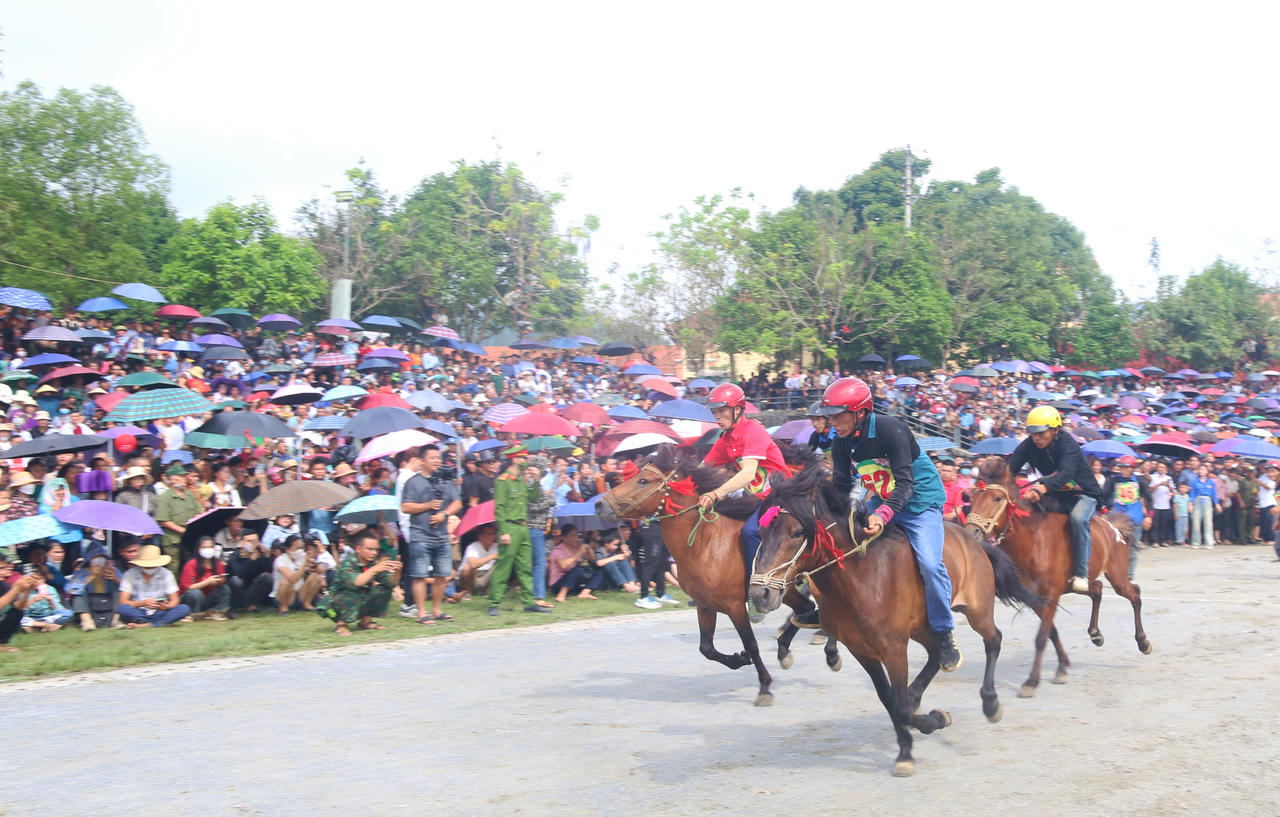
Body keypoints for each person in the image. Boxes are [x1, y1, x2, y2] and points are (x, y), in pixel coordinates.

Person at [811, 376, 963, 671]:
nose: (833, 421)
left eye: (838, 414)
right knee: (839, 541)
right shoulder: (841, 442)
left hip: (919, 502)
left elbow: (905, 486)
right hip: (883, 498)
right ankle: (823, 607)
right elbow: (842, 488)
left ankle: (944, 632)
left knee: (931, 565)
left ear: (860, 412)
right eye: (829, 415)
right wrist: (822, 512)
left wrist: (880, 516)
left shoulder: (891, 429)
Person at [696, 383, 791, 568]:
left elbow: (748, 474)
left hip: (779, 496)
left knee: (750, 532)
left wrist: (715, 493)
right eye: (714, 412)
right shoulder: (725, 439)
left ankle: (759, 584)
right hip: (755, 499)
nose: (717, 417)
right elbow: (702, 469)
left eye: (722, 411)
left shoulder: (753, 432)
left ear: (737, 409)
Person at [1009, 404, 1100, 595]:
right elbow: (1010, 468)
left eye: (1041, 433)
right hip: (1057, 492)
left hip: (1084, 493)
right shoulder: (1028, 445)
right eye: (1032, 433)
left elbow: (1066, 474)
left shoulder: (1069, 445)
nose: (1036, 438)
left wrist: (1040, 489)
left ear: (1055, 429)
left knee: (1077, 519)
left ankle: (1081, 573)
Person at [401, 445, 462, 624]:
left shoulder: (445, 481)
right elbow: (406, 507)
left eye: (438, 458)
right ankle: (421, 612)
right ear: (422, 461)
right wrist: (428, 506)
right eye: (432, 458)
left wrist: (444, 514)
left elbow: (457, 503)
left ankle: (437, 610)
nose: (437, 461)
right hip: (420, 534)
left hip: (442, 535)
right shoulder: (413, 482)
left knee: (442, 575)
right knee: (419, 575)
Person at [487, 449, 550, 616]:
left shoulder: (521, 480)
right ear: (514, 459)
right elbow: (499, 508)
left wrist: (536, 480)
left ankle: (529, 602)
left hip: (523, 527)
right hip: (510, 526)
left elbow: (533, 497)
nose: (526, 461)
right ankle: (494, 602)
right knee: (504, 566)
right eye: (523, 458)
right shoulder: (503, 480)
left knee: (525, 567)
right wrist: (504, 531)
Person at [316, 530, 402, 636]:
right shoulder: (349, 563)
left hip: (354, 599)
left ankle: (365, 623)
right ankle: (341, 625)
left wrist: (397, 571)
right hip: (333, 603)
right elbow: (356, 582)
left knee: (383, 589)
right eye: (370, 549)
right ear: (358, 549)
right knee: (357, 590)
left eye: (376, 549)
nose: (374, 553)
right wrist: (375, 569)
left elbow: (390, 583)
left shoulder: (372, 563)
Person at [116, 545, 192, 627]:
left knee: (184, 608)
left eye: (152, 565)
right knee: (123, 609)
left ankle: (145, 624)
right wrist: (142, 603)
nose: (149, 568)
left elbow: (175, 600)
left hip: (159, 611)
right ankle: (161, 622)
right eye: (146, 566)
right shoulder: (129, 574)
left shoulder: (166, 574)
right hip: (139, 611)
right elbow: (123, 602)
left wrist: (165, 606)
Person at [154, 463, 204, 568]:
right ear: (172, 480)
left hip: (190, 538)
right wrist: (182, 530)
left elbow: (198, 512)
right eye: (181, 477)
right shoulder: (165, 497)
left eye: (185, 476)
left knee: (192, 565)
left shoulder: (189, 495)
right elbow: (163, 520)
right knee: (174, 567)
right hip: (172, 540)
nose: (185, 479)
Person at [548, 524, 604, 602]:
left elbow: (591, 559)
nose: (576, 538)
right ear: (564, 538)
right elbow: (564, 566)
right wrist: (579, 553)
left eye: (577, 535)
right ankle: (562, 594)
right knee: (577, 570)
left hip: (574, 584)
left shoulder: (577, 547)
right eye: (573, 535)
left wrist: (588, 548)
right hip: (558, 584)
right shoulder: (558, 550)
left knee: (598, 571)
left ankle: (585, 592)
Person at [178, 537, 230, 620]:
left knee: (224, 588)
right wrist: (207, 582)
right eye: (204, 547)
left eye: (210, 547)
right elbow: (188, 588)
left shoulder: (217, 563)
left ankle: (216, 612)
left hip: (207, 598)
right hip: (189, 598)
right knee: (195, 593)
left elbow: (222, 580)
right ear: (198, 549)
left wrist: (219, 581)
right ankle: (192, 614)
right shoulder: (191, 564)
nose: (208, 549)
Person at [271, 535, 324, 614]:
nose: (300, 550)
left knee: (316, 577)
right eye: (297, 548)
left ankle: (307, 604)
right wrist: (304, 566)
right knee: (285, 581)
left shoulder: (303, 557)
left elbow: (321, 569)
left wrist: (315, 566)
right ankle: (283, 607)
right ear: (287, 549)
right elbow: (292, 579)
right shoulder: (280, 560)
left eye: (302, 548)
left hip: (299, 595)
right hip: (283, 597)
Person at [226, 529, 274, 611]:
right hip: (237, 592)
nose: (252, 544)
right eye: (249, 541)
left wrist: (267, 557)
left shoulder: (260, 554)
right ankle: (236, 608)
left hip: (253, 590)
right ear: (241, 543)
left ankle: (249, 605)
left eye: (255, 541)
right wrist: (251, 559)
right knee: (236, 580)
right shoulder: (235, 557)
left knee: (268, 577)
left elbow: (268, 571)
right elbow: (240, 574)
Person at [458, 523, 500, 598]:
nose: (493, 537)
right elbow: (473, 565)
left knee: (501, 564)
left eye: (494, 534)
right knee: (467, 567)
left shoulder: (496, 546)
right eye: (490, 534)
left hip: (485, 576)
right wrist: (491, 556)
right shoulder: (472, 547)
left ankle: (487, 591)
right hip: (471, 578)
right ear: (480, 536)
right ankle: (467, 592)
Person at [1188, 464, 1220, 549]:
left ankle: (1209, 543)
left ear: (1207, 471)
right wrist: (1190, 504)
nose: (1202, 471)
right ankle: (1195, 542)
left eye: (1204, 469)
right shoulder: (1195, 481)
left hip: (1207, 501)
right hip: (1198, 501)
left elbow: (1214, 494)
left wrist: (1217, 503)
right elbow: (1192, 494)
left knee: (1208, 523)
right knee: (1196, 522)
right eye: (1200, 469)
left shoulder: (1210, 482)